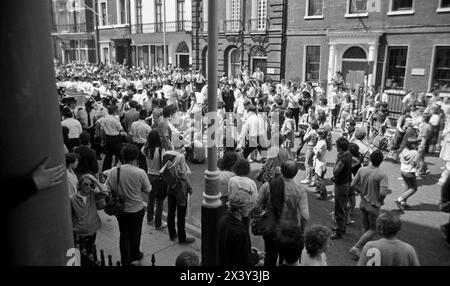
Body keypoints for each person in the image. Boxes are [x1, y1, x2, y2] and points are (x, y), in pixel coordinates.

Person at [254, 160, 309, 266]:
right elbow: (305, 216)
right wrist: (301, 230)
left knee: (270, 255)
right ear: (295, 173)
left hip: (271, 228)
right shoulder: (300, 191)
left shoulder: (267, 186)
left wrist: (261, 214)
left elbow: (256, 206)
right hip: (289, 231)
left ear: (281, 171)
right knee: (286, 258)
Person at [104, 144, 152, 266]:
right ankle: (135, 254)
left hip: (120, 210)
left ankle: (125, 259)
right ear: (136, 157)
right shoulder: (140, 172)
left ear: (123, 156)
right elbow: (148, 189)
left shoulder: (115, 171)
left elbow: (106, 188)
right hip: (136, 209)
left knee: (124, 234)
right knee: (136, 233)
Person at [349, 150, 389, 258]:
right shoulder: (382, 175)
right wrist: (380, 200)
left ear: (370, 159)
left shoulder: (362, 169)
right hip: (373, 205)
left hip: (363, 203)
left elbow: (352, 185)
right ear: (381, 161)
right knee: (373, 229)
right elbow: (382, 193)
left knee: (366, 228)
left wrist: (361, 192)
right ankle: (357, 247)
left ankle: (361, 251)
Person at [218, 191, 263, 266]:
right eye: (248, 206)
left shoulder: (223, 218)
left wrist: (247, 249)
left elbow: (229, 244)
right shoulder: (241, 232)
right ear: (239, 210)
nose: (251, 209)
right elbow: (244, 261)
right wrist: (257, 256)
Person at [164, 150, 196, 245]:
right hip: (181, 190)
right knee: (181, 215)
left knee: (171, 212)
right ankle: (182, 238)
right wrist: (190, 187)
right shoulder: (180, 157)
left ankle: (172, 234)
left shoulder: (167, 156)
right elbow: (184, 175)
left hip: (171, 188)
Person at [71, 174, 108, 252]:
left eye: (90, 185)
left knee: (90, 251)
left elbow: (105, 193)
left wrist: (95, 180)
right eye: (85, 184)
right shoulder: (72, 199)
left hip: (93, 230)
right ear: (80, 185)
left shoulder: (92, 194)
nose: (88, 186)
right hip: (80, 233)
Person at [142, 130, 167, 230]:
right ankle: (158, 223)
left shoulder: (145, 149)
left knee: (151, 200)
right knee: (160, 202)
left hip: (149, 176)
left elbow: (143, 147)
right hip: (158, 177)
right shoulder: (161, 150)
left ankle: (149, 219)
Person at [330, 137, 353, 239]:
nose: (335, 147)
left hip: (341, 186)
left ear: (340, 147)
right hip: (346, 184)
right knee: (342, 207)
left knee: (339, 208)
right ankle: (341, 227)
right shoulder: (349, 155)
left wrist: (337, 159)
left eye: (336, 145)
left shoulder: (342, 158)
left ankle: (339, 231)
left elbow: (335, 171)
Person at [394, 137, 421, 210]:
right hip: (410, 172)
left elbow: (401, 159)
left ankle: (403, 203)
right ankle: (399, 199)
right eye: (416, 144)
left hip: (403, 171)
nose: (417, 145)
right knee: (413, 188)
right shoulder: (415, 153)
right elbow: (417, 165)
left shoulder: (404, 150)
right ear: (412, 145)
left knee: (406, 186)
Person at [101, 105, 126, 172]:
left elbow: (102, 130)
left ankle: (105, 171)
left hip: (108, 138)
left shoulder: (104, 119)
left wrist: (103, 139)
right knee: (121, 155)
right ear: (114, 111)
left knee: (108, 157)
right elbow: (121, 129)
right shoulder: (115, 120)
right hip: (116, 139)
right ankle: (126, 169)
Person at [314, 128, 328, 199]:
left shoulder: (322, 143)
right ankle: (318, 189)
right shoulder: (321, 141)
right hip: (319, 161)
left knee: (320, 179)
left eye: (317, 133)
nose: (316, 135)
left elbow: (318, 153)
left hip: (320, 163)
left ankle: (323, 194)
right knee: (318, 177)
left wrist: (315, 151)